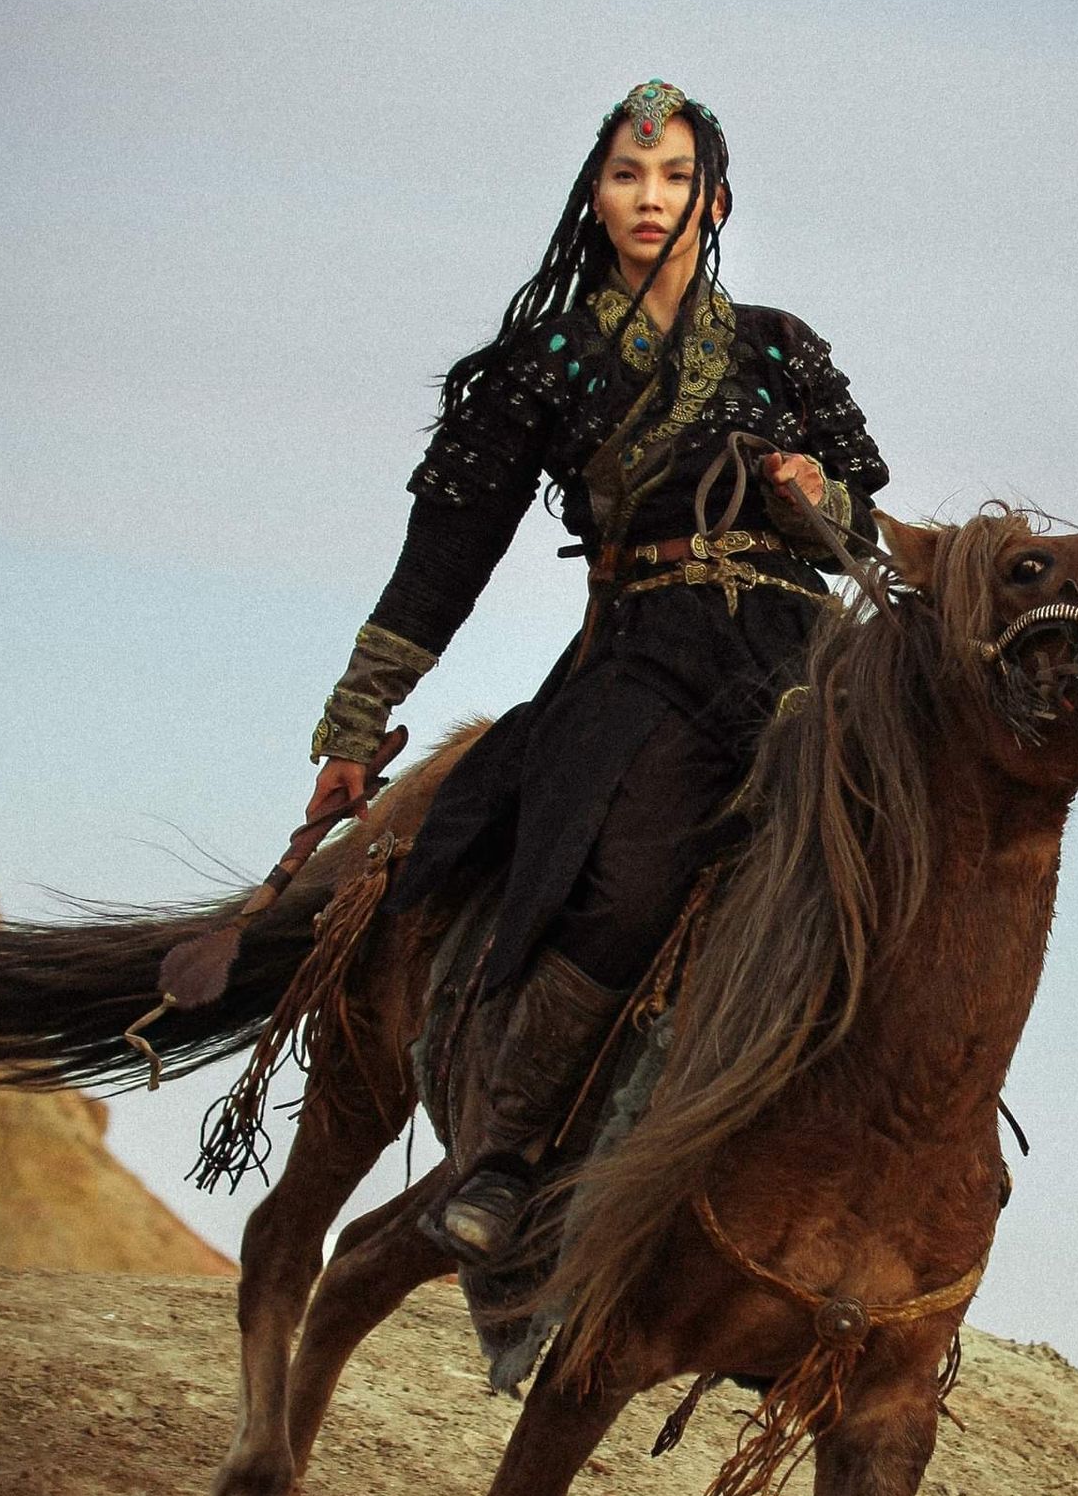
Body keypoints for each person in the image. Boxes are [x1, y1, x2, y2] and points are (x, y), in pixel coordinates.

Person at [308, 79, 889, 1266]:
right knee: (628, 877)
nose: (650, 197)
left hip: (803, 659)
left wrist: (818, 496)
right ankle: (508, 1155)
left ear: (714, 199)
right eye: (628, 176)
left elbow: (867, 534)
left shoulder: (783, 347)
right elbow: (447, 553)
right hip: (646, 656)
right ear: (594, 196)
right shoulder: (546, 359)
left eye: (675, 177)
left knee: (909, 855)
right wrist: (359, 723)